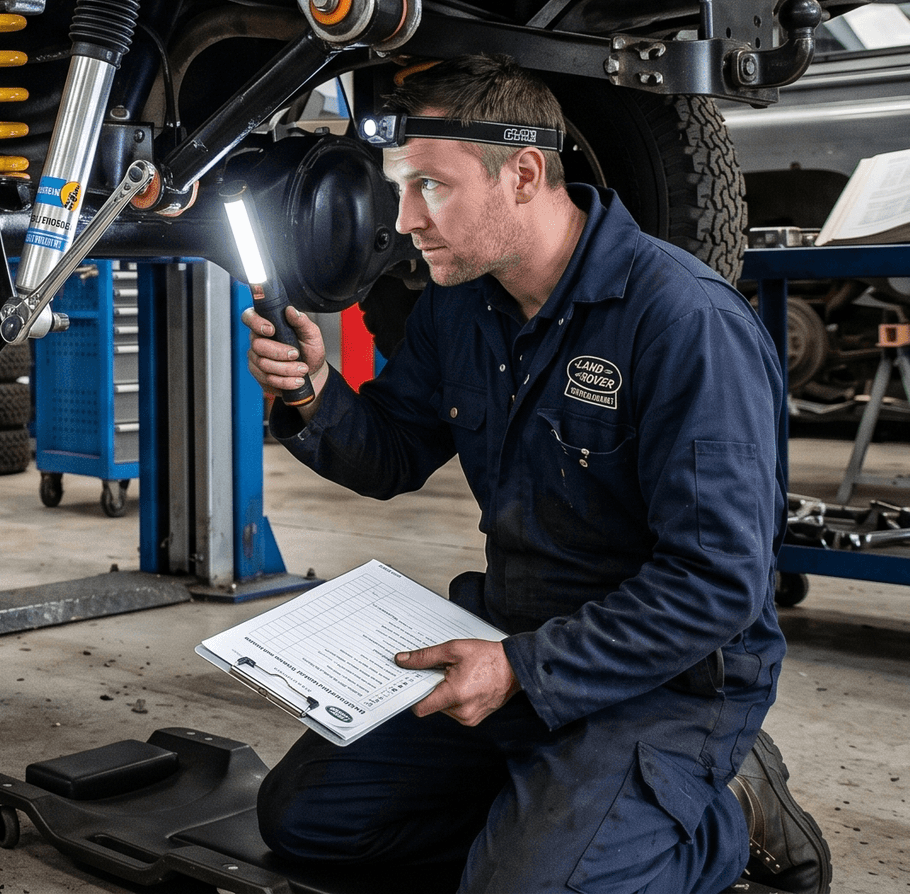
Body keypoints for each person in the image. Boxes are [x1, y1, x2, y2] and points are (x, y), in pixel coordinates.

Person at [241, 54, 830, 894]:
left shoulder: (684, 322)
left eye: (430, 187)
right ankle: (556, 815)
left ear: (522, 174)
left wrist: (524, 669)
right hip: (510, 634)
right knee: (304, 819)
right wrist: (314, 395)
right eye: (399, 187)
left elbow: (717, 583)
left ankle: (721, 815)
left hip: (666, 682)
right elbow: (396, 450)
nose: (404, 219)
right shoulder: (460, 302)